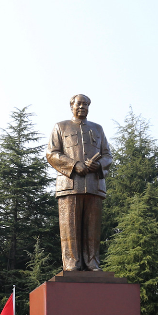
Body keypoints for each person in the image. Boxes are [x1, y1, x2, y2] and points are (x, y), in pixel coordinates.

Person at [46, 93, 112, 271]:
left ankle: (92, 262)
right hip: (69, 184)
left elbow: (108, 155)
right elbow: (52, 154)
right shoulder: (60, 127)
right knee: (70, 227)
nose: (82, 107)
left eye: (86, 104)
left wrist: (98, 165)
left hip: (94, 184)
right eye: (79, 104)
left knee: (93, 228)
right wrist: (75, 165)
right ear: (71, 106)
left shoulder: (97, 129)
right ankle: (71, 263)